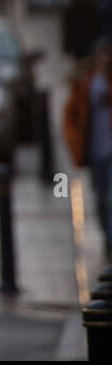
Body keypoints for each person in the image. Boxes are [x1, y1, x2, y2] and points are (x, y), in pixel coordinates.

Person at [62, 37, 112, 257]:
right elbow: (70, 115)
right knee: (100, 196)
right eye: (103, 54)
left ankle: (111, 240)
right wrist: (74, 143)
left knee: (110, 196)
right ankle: (106, 234)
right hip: (94, 150)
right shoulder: (86, 83)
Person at [62, 0, 100, 64]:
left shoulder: (91, 5)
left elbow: (96, 23)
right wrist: (68, 46)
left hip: (91, 43)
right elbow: (68, 29)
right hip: (78, 46)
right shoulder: (71, 9)